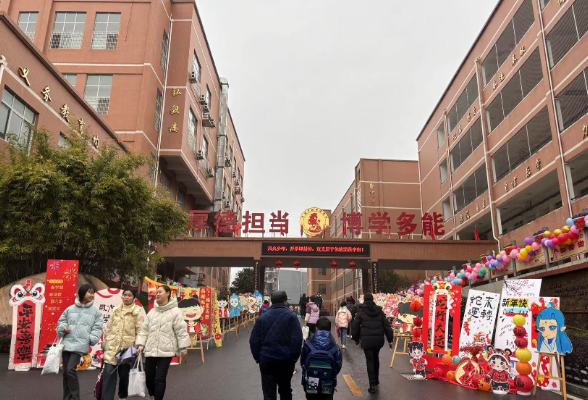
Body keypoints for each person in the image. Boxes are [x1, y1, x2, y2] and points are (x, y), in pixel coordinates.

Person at [136, 285, 191, 400]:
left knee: (160, 378)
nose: (158, 294)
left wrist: (183, 348)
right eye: (157, 292)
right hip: (151, 349)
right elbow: (144, 330)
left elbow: (181, 330)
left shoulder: (175, 312)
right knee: (149, 377)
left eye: (160, 292)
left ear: (168, 293)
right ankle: (152, 396)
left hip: (166, 351)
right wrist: (141, 344)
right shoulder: (152, 312)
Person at [250, 290, 303, 400]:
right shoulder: (292, 317)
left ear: (272, 302)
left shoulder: (262, 318)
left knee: (269, 393)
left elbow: (254, 340)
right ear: (284, 301)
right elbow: (297, 340)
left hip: (267, 360)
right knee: (285, 390)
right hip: (286, 361)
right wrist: (294, 357)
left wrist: (258, 358)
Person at [57, 284, 103, 400]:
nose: (92, 295)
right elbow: (62, 321)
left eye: (93, 293)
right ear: (82, 293)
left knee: (70, 370)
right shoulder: (70, 309)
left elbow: (98, 328)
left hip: (80, 344)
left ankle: (75, 397)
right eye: (89, 292)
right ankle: (67, 397)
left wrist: (90, 338)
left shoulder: (95, 312)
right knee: (66, 373)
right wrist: (63, 328)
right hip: (67, 342)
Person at [101, 288, 144, 400]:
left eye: (129, 295)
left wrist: (139, 345)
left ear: (134, 298)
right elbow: (109, 327)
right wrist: (105, 342)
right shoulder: (115, 310)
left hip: (127, 349)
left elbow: (140, 331)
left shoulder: (137, 311)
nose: (126, 297)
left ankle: (122, 397)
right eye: (125, 295)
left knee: (124, 376)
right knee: (109, 374)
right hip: (112, 347)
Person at [351, 293, 394, 394]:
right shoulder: (379, 311)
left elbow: (355, 326)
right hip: (378, 340)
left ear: (364, 300)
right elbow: (386, 326)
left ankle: (372, 384)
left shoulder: (361, 311)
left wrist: (356, 339)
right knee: (376, 358)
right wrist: (390, 339)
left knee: (369, 360)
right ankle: (376, 380)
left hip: (366, 340)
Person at [300, 317, 342, 400]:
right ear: (330, 329)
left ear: (316, 328)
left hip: (311, 381)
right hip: (328, 382)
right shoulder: (334, 346)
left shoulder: (309, 343)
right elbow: (338, 364)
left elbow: (303, 361)